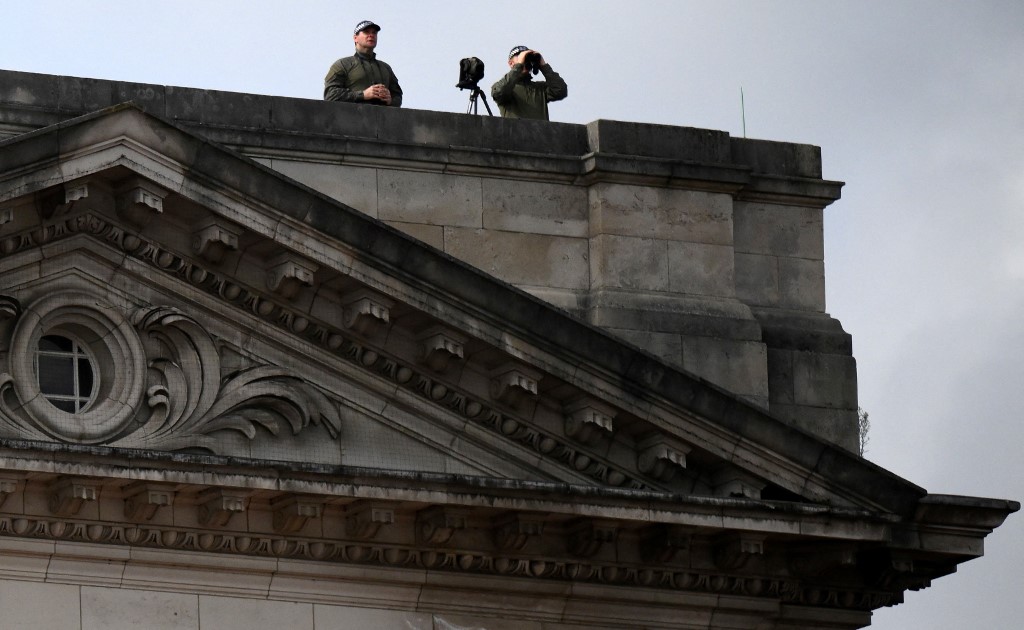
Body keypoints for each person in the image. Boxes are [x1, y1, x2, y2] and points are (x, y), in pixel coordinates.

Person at [324, 20, 403, 107]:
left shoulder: (386, 68)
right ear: (355, 38)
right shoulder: (342, 64)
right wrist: (363, 95)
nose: (371, 35)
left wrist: (390, 100)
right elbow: (330, 94)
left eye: (374, 33)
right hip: (352, 118)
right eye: (366, 32)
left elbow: (397, 96)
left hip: (381, 119)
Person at [490, 45, 567, 120]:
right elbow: (500, 92)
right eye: (519, 56)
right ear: (511, 63)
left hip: (540, 132)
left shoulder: (540, 88)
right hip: (514, 132)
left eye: (527, 58)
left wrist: (543, 65)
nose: (525, 60)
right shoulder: (505, 87)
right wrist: (518, 66)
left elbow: (560, 90)